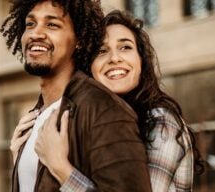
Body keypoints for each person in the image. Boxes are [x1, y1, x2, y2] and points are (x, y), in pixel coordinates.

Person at [26, 10, 203, 191]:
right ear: (89, 67)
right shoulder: (96, 122)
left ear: (141, 61)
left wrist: (61, 168)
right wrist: (24, 154)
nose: (114, 58)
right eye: (101, 51)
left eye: (125, 47)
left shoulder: (161, 121)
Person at [1, 1, 152, 191]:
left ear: (79, 39)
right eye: (30, 24)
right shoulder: (35, 117)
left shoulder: (105, 111)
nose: (35, 34)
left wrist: (61, 169)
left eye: (52, 24)